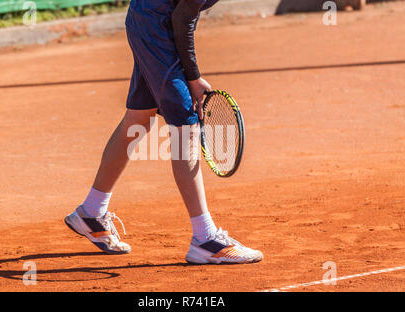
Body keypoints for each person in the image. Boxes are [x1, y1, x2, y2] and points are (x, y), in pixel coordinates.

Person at [65, 0, 263, 264]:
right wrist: (193, 78)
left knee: (139, 119)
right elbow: (184, 18)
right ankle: (206, 239)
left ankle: (91, 211)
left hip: (149, 22)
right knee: (186, 127)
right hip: (155, 28)